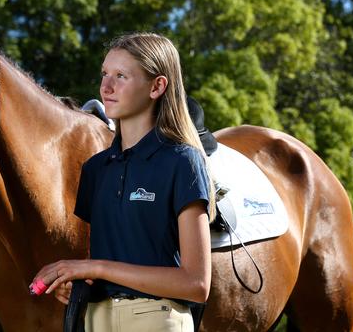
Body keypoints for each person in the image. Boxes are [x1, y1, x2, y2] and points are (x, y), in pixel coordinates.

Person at [32, 32, 215, 332]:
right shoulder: (95, 169)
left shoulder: (182, 161)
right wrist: (78, 283)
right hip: (96, 322)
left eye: (121, 76)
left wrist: (95, 267)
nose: (106, 87)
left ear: (157, 86)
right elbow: (110, 261)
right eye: (104, 73)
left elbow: (196, 283)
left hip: (158, 321)